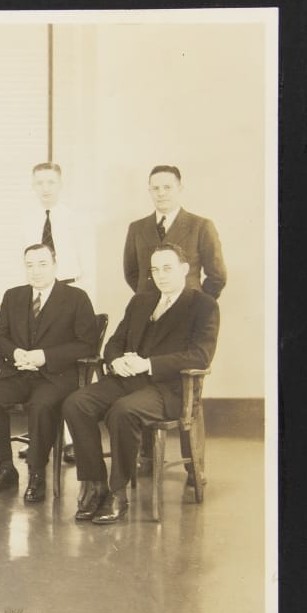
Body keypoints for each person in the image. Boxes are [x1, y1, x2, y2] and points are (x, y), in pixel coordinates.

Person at [62, 242, 220, 525]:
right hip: (127, 379)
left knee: (122, 411)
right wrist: (115, 361)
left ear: (184, 269)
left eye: (167, 268)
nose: (161, 275)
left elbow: (200, 355)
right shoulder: (140, 301)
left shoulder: (203, 305)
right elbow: (115, 342)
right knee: (76, 403)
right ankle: (95, 485)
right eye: (155, 270)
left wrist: (147, 364)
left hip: (169, 390)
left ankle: (117, 493)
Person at [0, 244, 97, 503]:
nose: (36, 271)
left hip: (56, 376)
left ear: (55, 265)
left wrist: (45, 356)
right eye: (29, 265)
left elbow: (87, 344)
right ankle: (6, 467)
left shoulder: (76, 298)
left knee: (41, 404)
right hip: (18, 372)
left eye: (42, 264)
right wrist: (16, 353)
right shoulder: (13, 296)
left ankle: (37, 472)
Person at [123, 164, 226, 300]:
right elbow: (131, 273)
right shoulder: (136, 228)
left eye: (167, 187)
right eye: (155, 188)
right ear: (150, 191)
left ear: (179, 189)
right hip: (146, 308)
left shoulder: (201, 226)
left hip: (188, 307)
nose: (161, 193)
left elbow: (217, 277)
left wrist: (199, 304)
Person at [16, 162, 90, 295]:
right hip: (36, 292)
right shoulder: (25, 221)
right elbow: (20, 265)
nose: (45, 189)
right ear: (33, 186)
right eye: (39, 183)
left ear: (60, 184)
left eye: (51, 182)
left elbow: (88, 264)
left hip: (69, 289)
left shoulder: (75, 219)